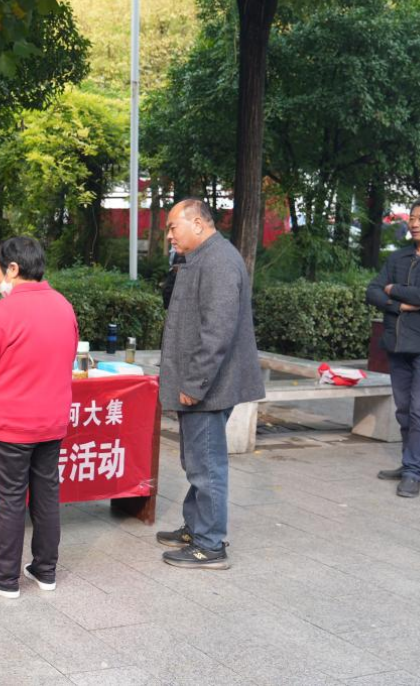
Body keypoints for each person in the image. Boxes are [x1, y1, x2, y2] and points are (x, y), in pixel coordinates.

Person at [0, 236, 78, 597]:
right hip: (51, 420)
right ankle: (45, 570)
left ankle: (6, 577)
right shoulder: (64, 306)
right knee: (46, 495)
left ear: (12, 268)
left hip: (10, 423)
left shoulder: (2, 313)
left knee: (9, 499)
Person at [156, 199, 264, 569]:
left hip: (209, 386)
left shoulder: (218, 260)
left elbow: (217, 331)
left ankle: (210, 545)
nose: (169, 235)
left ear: (199, 224)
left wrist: (195, 383)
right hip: (205, 382)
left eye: (173, 227)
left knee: (206, 466)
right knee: (196, 460)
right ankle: (196, 527)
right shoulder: (200, 257)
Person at [366, 198, 420, 497]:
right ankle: (413, 463)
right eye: (412, 218)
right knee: (404, 410)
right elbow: (372, 291)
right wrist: (399, 304)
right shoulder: (398, 257)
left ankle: (413, 471)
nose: (414, 224)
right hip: (398, 343)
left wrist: (393, 289)